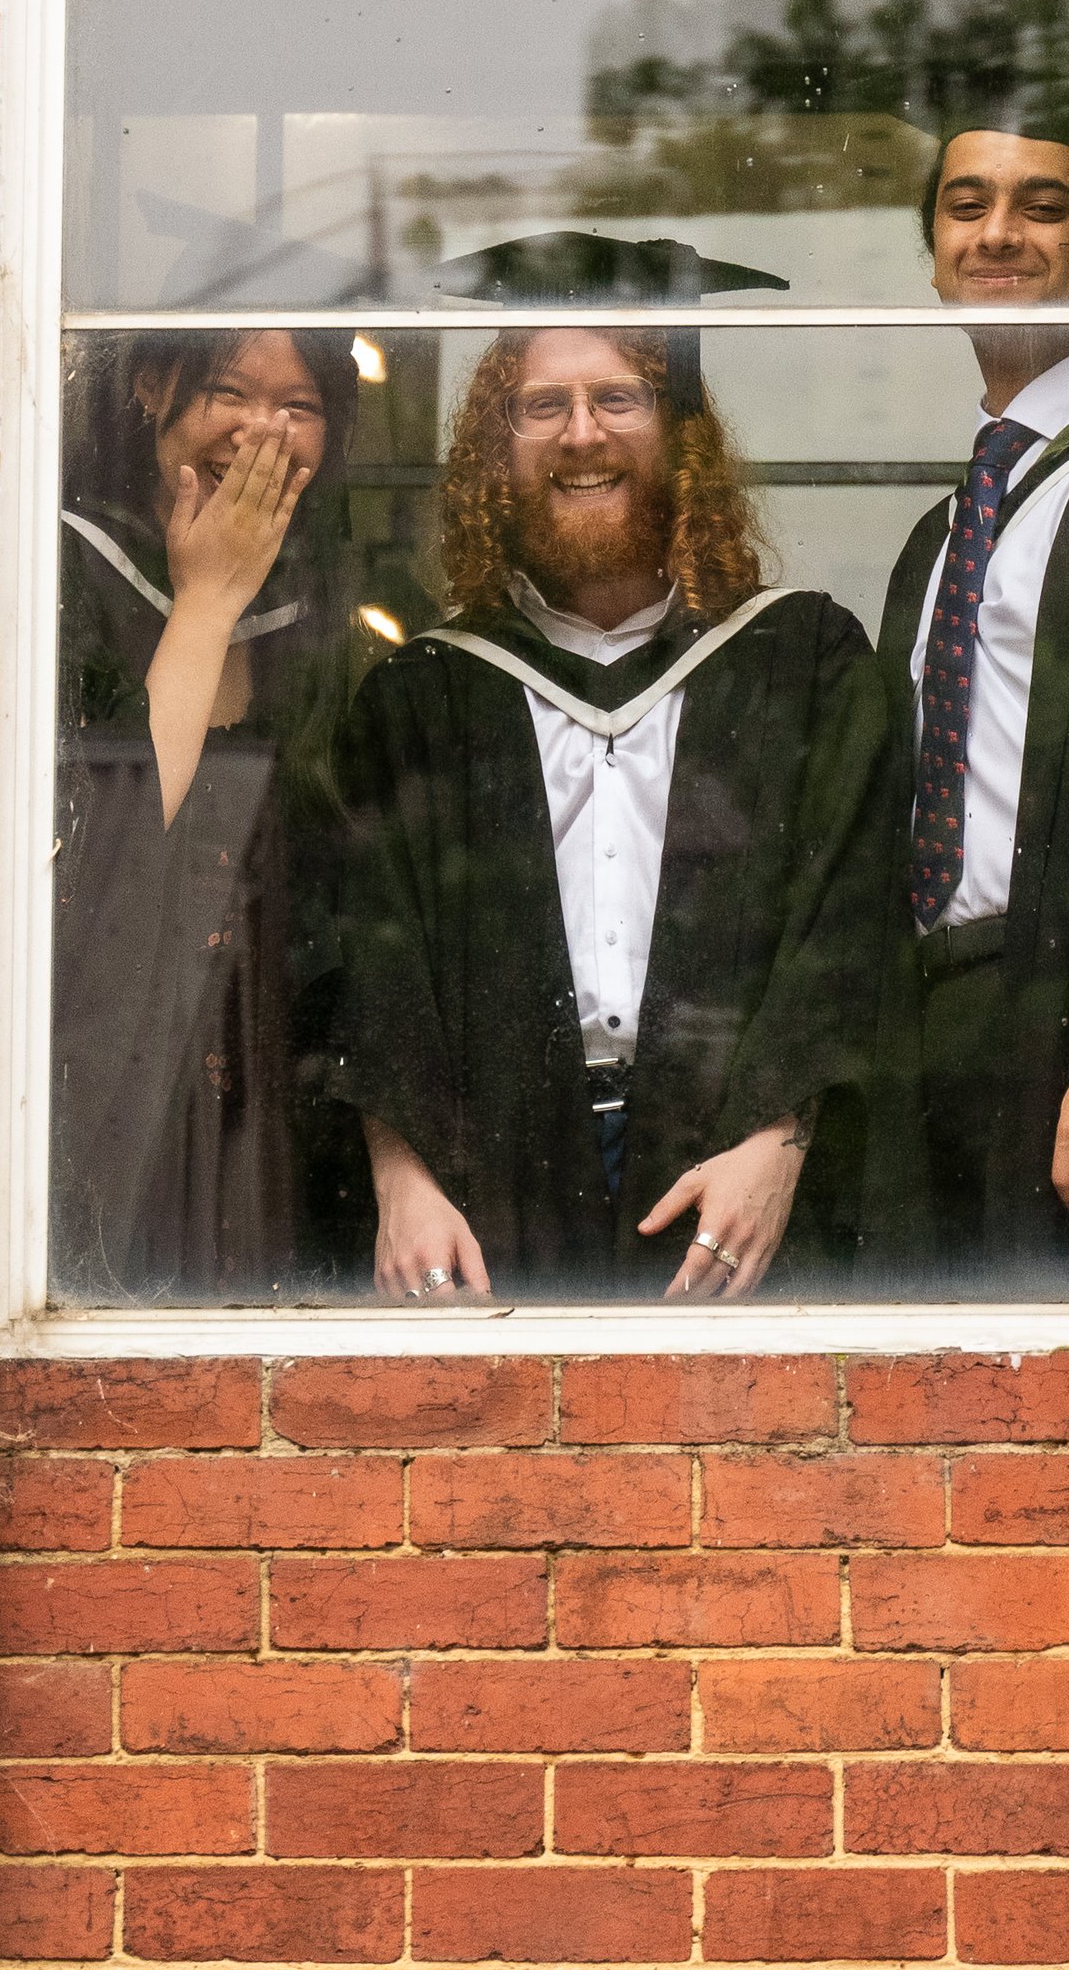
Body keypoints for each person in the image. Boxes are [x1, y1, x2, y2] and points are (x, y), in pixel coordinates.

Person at [330, 238, 891, 1303]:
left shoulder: (802, 664)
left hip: (736, 1181)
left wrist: (777, 1142)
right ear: (500, 444)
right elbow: (368, 959)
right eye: (542, 405)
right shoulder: (423, 697)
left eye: (619, 397)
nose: (581, 432)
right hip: (489, 1182)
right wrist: (401, 1179)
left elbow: (849, 921)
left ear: (680, 435)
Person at [869, 114, 1069, 1292]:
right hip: (944, 1016)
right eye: (965, 206)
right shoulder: (946, 533)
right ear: (933, 252)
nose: (997, 234)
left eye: (1042, 207)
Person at [51, 326, 364, 1299]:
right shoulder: (62, 572)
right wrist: (207, 601)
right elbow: (120, 837)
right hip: (112, 1036)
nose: (262, 432)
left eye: (299, 406)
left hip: (264, 1046)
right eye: (229, 391)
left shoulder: (323, 608)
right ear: (152, 385)